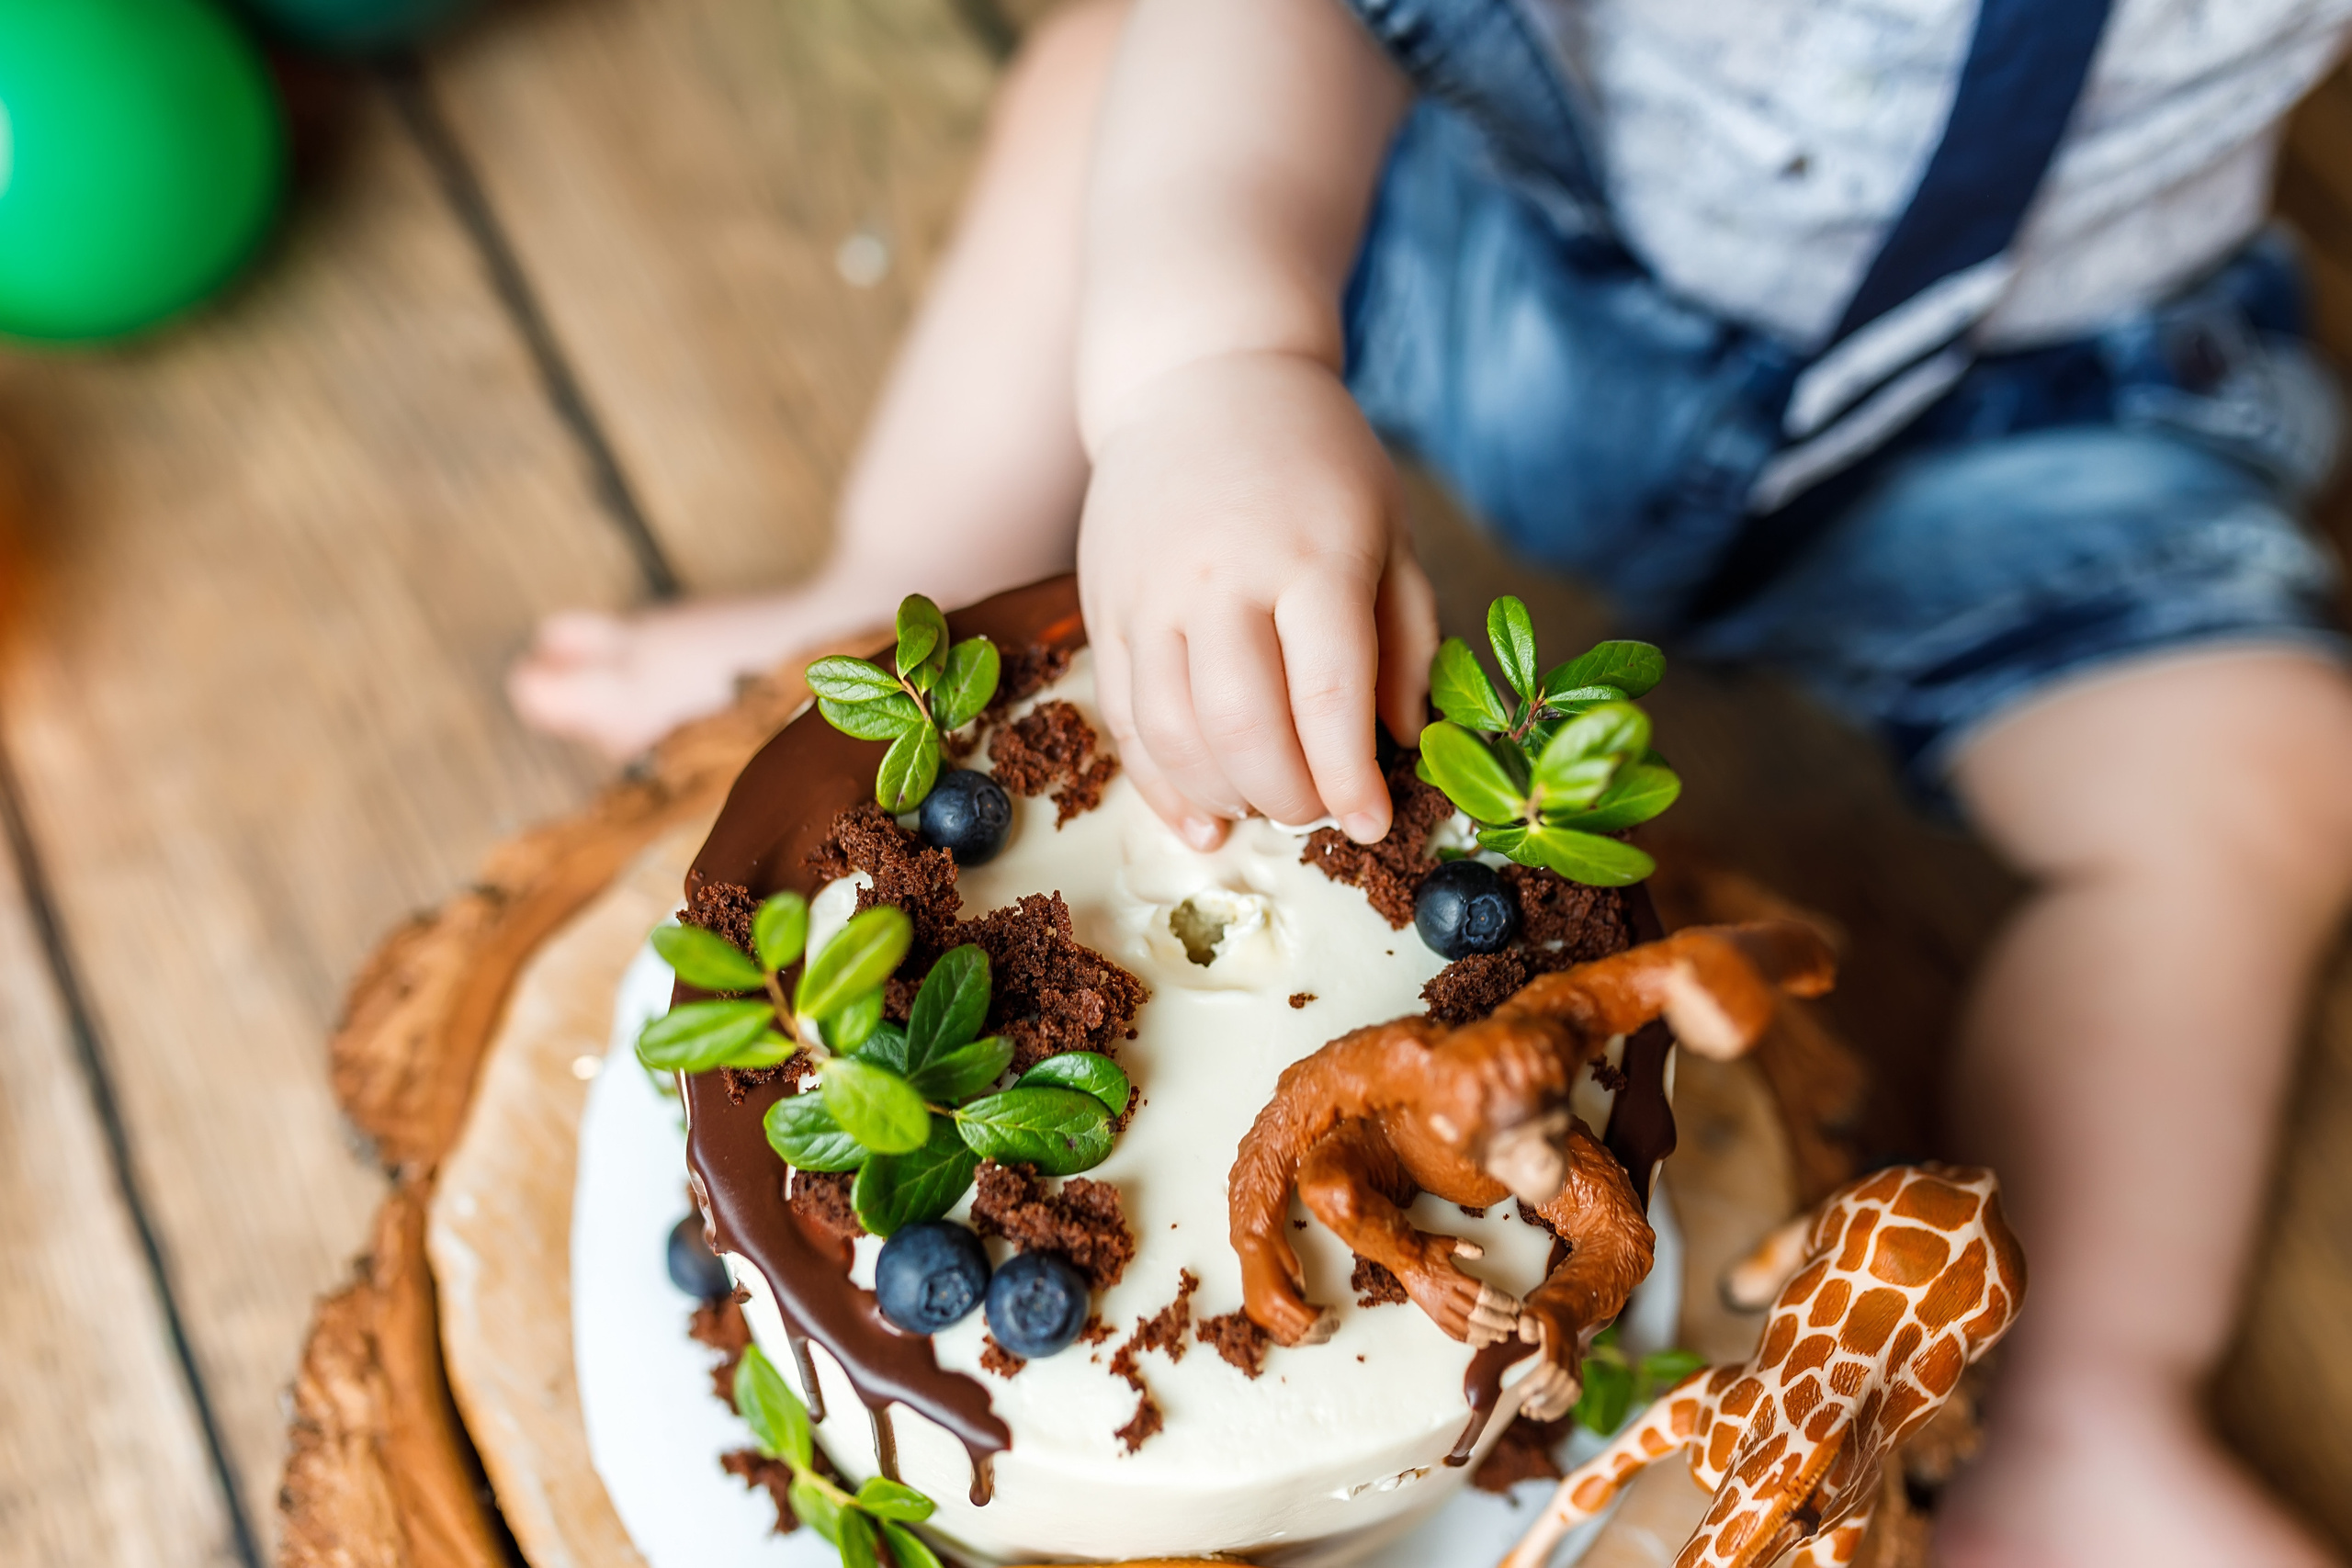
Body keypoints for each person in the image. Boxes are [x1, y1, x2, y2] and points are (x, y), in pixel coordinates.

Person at [512, 1, 2352, 1561]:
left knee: (2267, 781)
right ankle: (885, 577)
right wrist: (1212, 364)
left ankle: (2082, 1387)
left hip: (2021, 413)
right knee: (1120, 89)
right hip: (1491, 232)